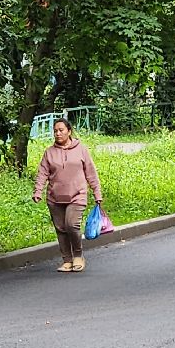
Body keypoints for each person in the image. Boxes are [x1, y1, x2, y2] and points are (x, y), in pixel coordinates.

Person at [33, 117, 103, 273]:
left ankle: (78, 256)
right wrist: (37, 191)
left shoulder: (81, 149)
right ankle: (67, 260)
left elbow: (91, 173)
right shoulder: (49, 152)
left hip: (77, 195)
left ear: (69, 131)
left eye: (61, 130)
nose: (58, 134)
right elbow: (42, 173)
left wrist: (97, 192)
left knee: (71, 225)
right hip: (55, 197)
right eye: (55, 131)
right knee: (61, 229)